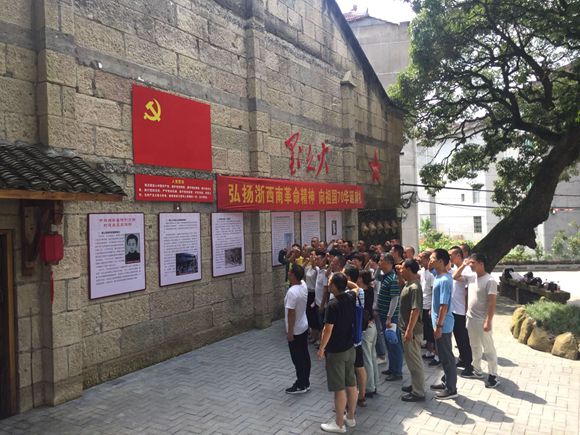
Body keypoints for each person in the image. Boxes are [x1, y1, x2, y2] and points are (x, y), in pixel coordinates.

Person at [317, 272, 358, 433]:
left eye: (330, 282)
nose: (328, 284)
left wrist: (322, 348)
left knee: (339, 388)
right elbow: (356, 287)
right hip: (350, 347)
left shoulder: (332, 305)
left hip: (336, 351)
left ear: (334, 286)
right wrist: (345, 281)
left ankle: (339, 424)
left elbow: (327, 329)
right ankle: (351, 418)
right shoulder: (351, 297)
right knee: (351, 384)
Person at [455, 253, 500, 388]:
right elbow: (455, 276)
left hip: (482, 320)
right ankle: (477, 370)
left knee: (488, 348)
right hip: (470, 319)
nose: (470, 265)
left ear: (481, 263)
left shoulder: (490, 280)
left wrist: (488, 321)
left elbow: (492, 303)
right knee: (474, 346)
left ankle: (493, 375)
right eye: (469, 262)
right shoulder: (471, 277)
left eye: (472, 263)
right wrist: (463, 265)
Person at [429, 249, 457, 400]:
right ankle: (446, 381)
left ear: (441, 261)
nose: (430, 260)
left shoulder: (445, 280)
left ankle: (451, 389)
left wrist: (439, 326)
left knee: (447, 357)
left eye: (433, 258)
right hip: (439, 323)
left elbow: (443, 306)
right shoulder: (437, 275)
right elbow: (429, 268)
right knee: (443, 355)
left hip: (443, 325)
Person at [399, 259, 426, 402]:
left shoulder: (414, 287)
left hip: (413, 332)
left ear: (409, 269)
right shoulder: (408, 284)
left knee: (415, 362)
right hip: (407, 329)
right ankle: (415, 384)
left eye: (402, 268)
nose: (400, 270)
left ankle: (418, 392)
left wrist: (409, 330)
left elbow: (415, 310)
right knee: (411, 361)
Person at [449, 246, 475, 377]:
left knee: (464, 340)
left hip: (461, 310)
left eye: (451, 255)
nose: (449, 258)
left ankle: (469, 366)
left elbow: (466, 290)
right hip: (454, 309)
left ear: (459, 256)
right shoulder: (455, 268)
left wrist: (466, 310)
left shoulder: (467, 270)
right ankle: (463, 359)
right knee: (458, 338)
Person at [284, 264, 310, 394]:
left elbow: (291, 313)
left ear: (293, 275)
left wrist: (290, 332)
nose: (288, 273)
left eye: (290, 272)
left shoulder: (292, 292)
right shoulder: (303, 285)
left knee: (298, 359)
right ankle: (306, 381)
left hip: (296, 330)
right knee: (304, 355)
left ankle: (301, 384)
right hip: (303, 325)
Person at [343, 265, 367, 407]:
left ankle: (348, 401)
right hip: (357, 336)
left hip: (347, 338)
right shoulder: (361, 292)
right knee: (360, 366)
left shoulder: (345, 293)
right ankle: (362, 396)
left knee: (348, 371)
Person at [377, 253, 403, 381]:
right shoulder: (385, 276)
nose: (379, 262)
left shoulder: (393, 278)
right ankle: (392, 368)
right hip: (384, 315)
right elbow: (376, 277)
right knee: (389, 343)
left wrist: (389, 317)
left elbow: (394, 299)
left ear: (388, 263)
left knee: (394, 343)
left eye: (381, 260)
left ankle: (397, 372)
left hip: (390, 317)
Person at [358, 270, 379, 398]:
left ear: (362, 279)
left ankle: (369, 387)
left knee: (366, 359)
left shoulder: (363, 293)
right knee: (372, 357)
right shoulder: (370, 290)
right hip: (372, 327)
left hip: (366, 328)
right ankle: (374, 384)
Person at [418, 251, 438, 365]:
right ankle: (429, 351)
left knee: (431, 331)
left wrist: (431, 307)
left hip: (429, 306)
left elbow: (433, 291)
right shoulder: (422, 271)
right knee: (426, 331)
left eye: (421, 257)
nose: (418, 259)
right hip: (423, 305)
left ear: (426, 259)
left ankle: (437, 354)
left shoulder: (432, 274)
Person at [304, 251, 320, 344]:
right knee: (309, 314)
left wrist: (313, 262)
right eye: (311, 255)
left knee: (314, 315)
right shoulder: (308, 268)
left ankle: (317, 336)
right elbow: (301, 269)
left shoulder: (317, 269)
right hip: (308, 292)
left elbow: (315, 268)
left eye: (313, 256)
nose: (311, 257)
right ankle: (312, 334)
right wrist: (307, 262)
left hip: (314, 293)